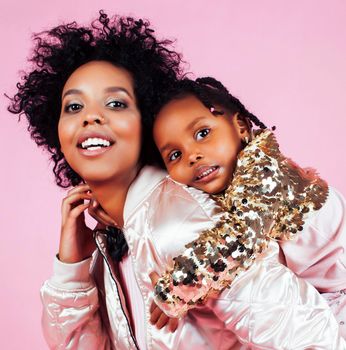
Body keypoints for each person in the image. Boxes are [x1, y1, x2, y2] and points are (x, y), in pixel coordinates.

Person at [8, 12, 345, 349]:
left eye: (115, 103)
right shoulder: (117, 231)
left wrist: (180, 287)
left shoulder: (177, 224)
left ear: (147, 124)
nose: (90, 116)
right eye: (73, 106)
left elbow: (314, 339)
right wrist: (72, 269)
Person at [151, 77, 346, 337]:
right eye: (175, 155)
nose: (192, 155)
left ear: (241, 126)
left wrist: (174, 292)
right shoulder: (225, 186)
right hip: (325, 296)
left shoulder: (265, 173)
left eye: (202, 133)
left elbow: (238, 242)